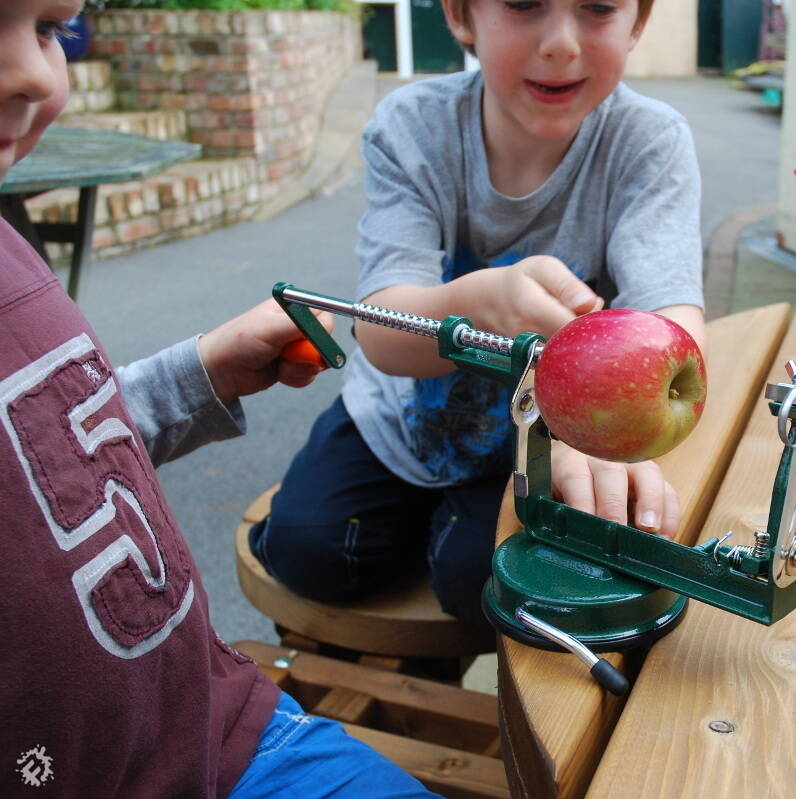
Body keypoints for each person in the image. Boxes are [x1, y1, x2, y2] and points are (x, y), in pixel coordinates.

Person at [0, 2, 445, 797]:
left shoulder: (10, 247)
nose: (35, 73)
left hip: (220, 725)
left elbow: (43, 453)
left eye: (48, 28)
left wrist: (199, 372)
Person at [251, 0, 708, 627]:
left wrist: (608, 438)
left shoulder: (648, 140)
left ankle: (447, 540)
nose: (562, 44)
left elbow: (673, 324)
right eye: (523, 4)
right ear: (462, 16)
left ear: (638, 21)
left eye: (598, 8)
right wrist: (475, 304)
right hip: (396, 419)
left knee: (481, 581)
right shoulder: (412, 126)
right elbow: (383, 333)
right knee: (310, 552)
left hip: (540, 442)